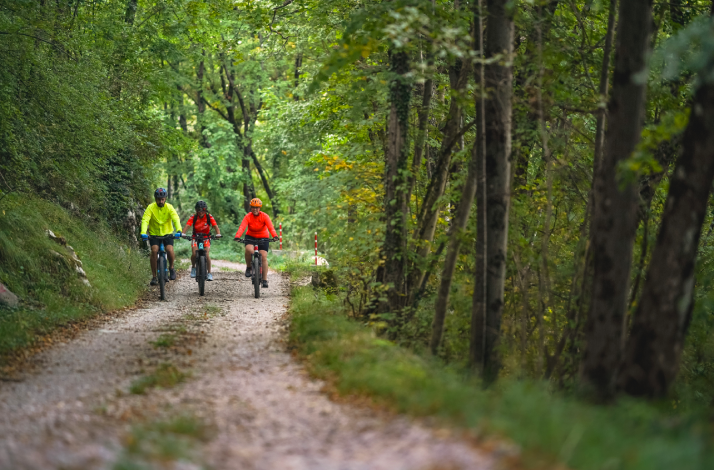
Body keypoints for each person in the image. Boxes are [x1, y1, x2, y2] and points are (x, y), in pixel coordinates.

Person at [140, 188, 182, 286]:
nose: (161, 201)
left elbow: (175, 218)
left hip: (167, 234)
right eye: (159, 199)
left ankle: (171, 267)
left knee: (169, 249)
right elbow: (145, 220)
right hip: (154, 234)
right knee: (154, 250)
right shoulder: (150, 207)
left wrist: (179, 230)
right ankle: (154, 277)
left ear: (165, 199)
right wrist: (143, 232)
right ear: (155, 199)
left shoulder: (169, 207)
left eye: (163, 199)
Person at [234, 198, 278, 288]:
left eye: (257, 207)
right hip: (250, 237)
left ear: (260, 208)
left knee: (263, 257)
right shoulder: (248, 216)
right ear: (251, 208)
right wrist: (237, 236)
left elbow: (271, 227)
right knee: (249, 249)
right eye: (253, 207)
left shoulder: (265, 216)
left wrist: (275, 236)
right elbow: (242, 227)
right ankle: (249, 267)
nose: (255, 209)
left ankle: (265, 280)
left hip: (263, 237)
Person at [184, 200, 222, 281]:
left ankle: (209, 273)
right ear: (196, 210)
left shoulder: (209, 216)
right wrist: (183, 233)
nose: (201, 212)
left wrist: (218, 234)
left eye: (203, 209)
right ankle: (193, 268)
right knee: (194, 254)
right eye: (199, 209)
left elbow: (215, 226)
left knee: (207, 254)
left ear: (206, 209)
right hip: (195, 237)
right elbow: (187, 225)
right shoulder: (193, 217)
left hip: (206, 237)